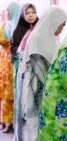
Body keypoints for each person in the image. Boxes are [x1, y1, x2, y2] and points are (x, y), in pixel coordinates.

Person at [18, 5, 67, 140]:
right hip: (34, 90)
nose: (62, 28)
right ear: (53, 21)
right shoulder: (37, 38)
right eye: (61, 25)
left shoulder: (50, 38)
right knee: (33, 128)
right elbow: (42, 70)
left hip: (46, 90)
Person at [10, 3, 39, 140]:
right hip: (23, 74)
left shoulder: (41, 28)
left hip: (38, 74)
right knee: (24, 105)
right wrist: (23, 55)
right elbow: (14, 51)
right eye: (27, 13)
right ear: (23, 15)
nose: (31, 15)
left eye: (33, 12)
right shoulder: (18, 31)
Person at [0, 1, 21, 133]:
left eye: (8, 11)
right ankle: (4, 120)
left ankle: (12, 121)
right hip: (3, 62)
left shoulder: (20, 26)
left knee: (12, 93)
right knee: (4, 93)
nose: (6, 13)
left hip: (13, 61)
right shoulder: (5, 25)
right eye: (5, 11)